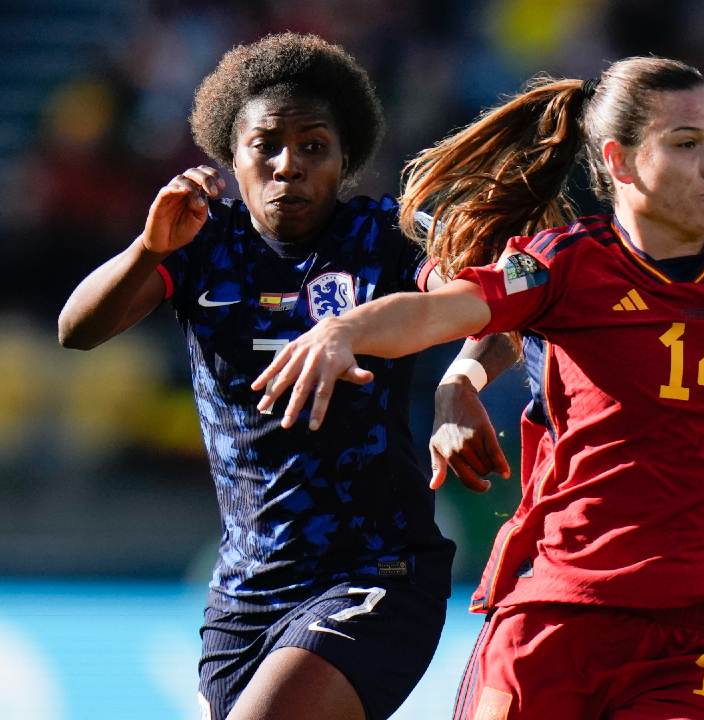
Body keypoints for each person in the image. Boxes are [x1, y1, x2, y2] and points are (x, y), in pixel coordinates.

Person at [252, 57, 704, 719]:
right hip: (560, 609)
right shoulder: (564, 266)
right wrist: (348, 332)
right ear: (618, 161)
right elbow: (446, 310)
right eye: (685, 143)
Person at [58, 34, 457, 720]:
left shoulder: (384, 238)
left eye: (313, 146)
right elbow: (78, 329)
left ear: (345, 156)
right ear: (230, 154)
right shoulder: (201, 244)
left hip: (376, 570)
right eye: (266, 145)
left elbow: (481, 302)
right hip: (246, 591)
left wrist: (461, 387)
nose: (288, 166)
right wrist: (147, 247)